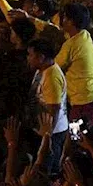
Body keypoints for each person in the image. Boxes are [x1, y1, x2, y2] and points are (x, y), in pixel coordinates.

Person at [55, 3, 93, 125]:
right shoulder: (84, 35)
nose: (62, 20)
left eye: (65, 17)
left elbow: (55, 66)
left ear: (71, 21)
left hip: (83, 100)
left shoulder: (71, 44)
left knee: (78, 137)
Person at [27, 38, 68, 176]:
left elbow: (54, 109)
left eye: (31, 55)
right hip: (44, 131)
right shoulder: (42, 70)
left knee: (48, 172)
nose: (28, 58)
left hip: (53, 133)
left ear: (41, 57)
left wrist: (47, 137)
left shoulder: (51, 77)